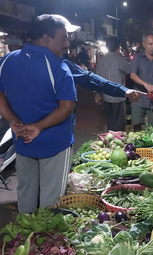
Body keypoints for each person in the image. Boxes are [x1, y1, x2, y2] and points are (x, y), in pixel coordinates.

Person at [0, 14, 77, 213]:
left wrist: (13, 120)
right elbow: (67, 107)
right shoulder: (59, 68)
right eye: (63, 38)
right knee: (51, 199)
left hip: (22, 141)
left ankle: (27, 237)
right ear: (45, 38)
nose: (67, 43)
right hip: (55, 144)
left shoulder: (7, 61)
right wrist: (39, 126)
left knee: (26, 191)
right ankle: (47, 239)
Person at [130, 31, 153, 132]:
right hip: (139, 99)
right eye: (150, 44)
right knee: (137, 130)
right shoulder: (137, 58)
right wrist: (145, 84)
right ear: (144, 44)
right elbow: (132, 75)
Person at [95, 37, 131, 131]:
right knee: (120, 125)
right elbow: (130, 70)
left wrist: (97, 93)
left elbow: (96, 78)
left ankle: (112, 141)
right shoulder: (119, 60)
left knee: (110, 124)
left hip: (106, 97)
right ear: (117, 47)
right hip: (118, 97)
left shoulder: (102, 60)